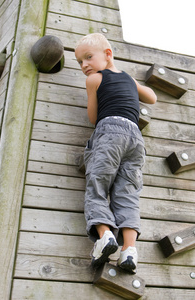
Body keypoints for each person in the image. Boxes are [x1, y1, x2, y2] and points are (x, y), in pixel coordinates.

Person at [75, 33, 157, 273]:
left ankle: (106, 236)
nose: (84, 66)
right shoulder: (129, 79)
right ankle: (129, 250)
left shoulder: (95, 80)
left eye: (88, 58)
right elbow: (152, 97)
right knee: (128, 193)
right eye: (80, 62)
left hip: (109, 132)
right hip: (135, 139)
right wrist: (134, 87)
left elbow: (93, 117)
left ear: (108, 54)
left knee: (98, 186)